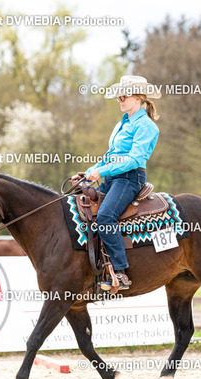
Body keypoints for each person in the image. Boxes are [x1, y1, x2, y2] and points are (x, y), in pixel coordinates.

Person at [71, 75, 161, 291]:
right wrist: (89, 173)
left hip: (130, 178)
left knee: (105, 216)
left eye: (124, 96)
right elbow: (109, 156)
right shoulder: (121, 124)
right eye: (118, 97)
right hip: (113, 178)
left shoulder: (146, 126)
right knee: (80, 204)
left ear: (138, 98)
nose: (119, 100)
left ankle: (120, 273)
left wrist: (100, 172)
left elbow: (133, 160)